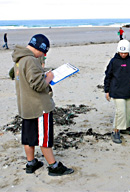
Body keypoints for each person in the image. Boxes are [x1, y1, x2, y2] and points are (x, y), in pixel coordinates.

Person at [12, 34, 74, 176]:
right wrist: (48, 77)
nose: (44, 55)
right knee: (44, 138)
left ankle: (31, 163)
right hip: (39, 107)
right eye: (44, 52)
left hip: (25, 106)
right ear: (40, 48)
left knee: (28, 137)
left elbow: (18, 76)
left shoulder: (19, 58)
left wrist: (40, 70)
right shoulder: (31, 60)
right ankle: (53, 167)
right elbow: (39, 85)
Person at [104, 40, 130, 144]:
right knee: (121, 112)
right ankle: (115, 131)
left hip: (128, 91)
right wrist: (107, 90)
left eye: (125, 53)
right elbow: (108, 76)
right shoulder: (114, 61)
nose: (123, 55)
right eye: (121, 53)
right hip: (116, 90)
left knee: (128, 111)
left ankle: (124, 127)